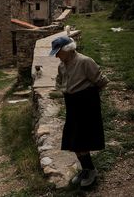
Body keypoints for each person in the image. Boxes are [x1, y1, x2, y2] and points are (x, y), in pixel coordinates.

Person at [50, 36, 108, 187]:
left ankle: (91, 170)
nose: (56, 56)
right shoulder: (62, 65)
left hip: (86, 102)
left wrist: (91, 98)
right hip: (72, 103)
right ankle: (85, 169)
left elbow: (101, 81)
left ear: (67, 50)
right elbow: (59, 80)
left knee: (83, 140)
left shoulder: (85, 61)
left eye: (58, 52)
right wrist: (63, 90)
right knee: (74, 140)